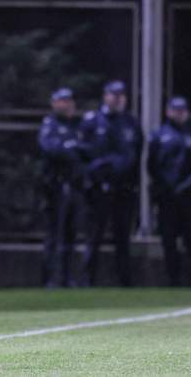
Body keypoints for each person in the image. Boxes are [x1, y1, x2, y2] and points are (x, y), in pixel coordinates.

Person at [78, 81, 137, 286]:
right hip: (97, 188)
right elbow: (83, 153)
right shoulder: (92, 121)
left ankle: (125, 281)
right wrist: (97, 171)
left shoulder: (130, 123)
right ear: (106, 97)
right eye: (115, 95)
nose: (119, 99)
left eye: (122, 95)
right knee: (93, 236)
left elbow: (134, 154)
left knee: (122, 237)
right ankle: (87, 280)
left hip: (122, 187)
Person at [148, 96, 191, 287]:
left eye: (182, 110)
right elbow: (152, 165)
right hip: (167, 196)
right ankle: (173, 278)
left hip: (190, 196)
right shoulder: (159, 134)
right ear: (168, 111)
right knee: (169, 239)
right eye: (176, 110)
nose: (179, 113)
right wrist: (166, 186)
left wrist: (188, 184)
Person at [38, 88, 83, 288]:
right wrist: (71, 149)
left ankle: (68, 277)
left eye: (69, 100)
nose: (67, 104)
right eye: (62, 101)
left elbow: (86, 150)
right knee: (54, 234)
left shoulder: (77, 124)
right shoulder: (50, 124)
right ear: (54, 103)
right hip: (55, 185)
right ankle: (51, 278)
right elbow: (51, 149)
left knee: (71, 234)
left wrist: (72, 148)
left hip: (74, 184)